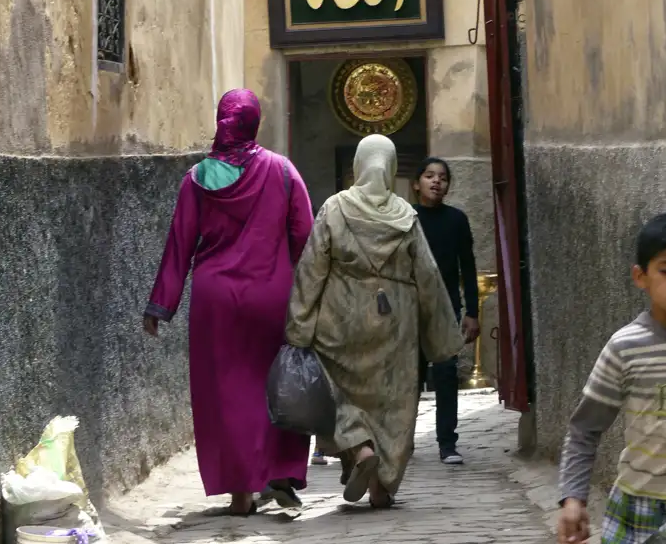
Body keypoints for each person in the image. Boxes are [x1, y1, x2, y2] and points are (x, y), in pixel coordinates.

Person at [143, 89, 315, 516]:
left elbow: (179, 245)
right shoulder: (282, 170)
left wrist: (160, 305)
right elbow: (304, 235)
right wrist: (307, 290)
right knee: (276, 384)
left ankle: (241, 490)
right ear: (255, 122)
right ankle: (278, 471)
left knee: (228, 393)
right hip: (270, 294)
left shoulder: (199, 177)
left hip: (215, 299)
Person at [285, 134, 462, 508]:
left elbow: (311, 269)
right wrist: (442, 337)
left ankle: (360, 448)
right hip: (396, 322)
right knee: (394, 404)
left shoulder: (335, 208)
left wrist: (299, 324)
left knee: (339, 391)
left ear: (359, 165)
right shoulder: (406, 215)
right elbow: (427, 276)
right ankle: (383, 486)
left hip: (340, 319)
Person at [558, 212, 666, 544]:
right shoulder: (625, 348)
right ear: (640, 276)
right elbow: (584, 429)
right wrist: (573, 498)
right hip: (637, 501)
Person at [412, 157, 480, 465]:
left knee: (446, 374)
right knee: (409, 378)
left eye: (442, 177)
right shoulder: (406, 218)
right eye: (429, 176)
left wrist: (473, 311)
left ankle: (447, 443)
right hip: (411, 308)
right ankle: (403, 441)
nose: (436, 181)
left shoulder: (457, 220)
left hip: (447, 307)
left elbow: (468, 266)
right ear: (417, 183)